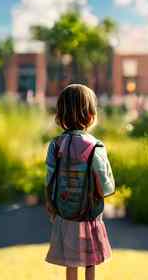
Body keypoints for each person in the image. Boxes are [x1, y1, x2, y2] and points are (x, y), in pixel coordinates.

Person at [44, 84, 115, 280]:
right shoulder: (95, 147)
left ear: (60, 116)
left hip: (65, 214)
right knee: (90, 262)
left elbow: (49, 179)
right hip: (88, 214)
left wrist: (50, 203)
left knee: (71, 262)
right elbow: (105, 186)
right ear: (91, 115)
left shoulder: (55, 145)